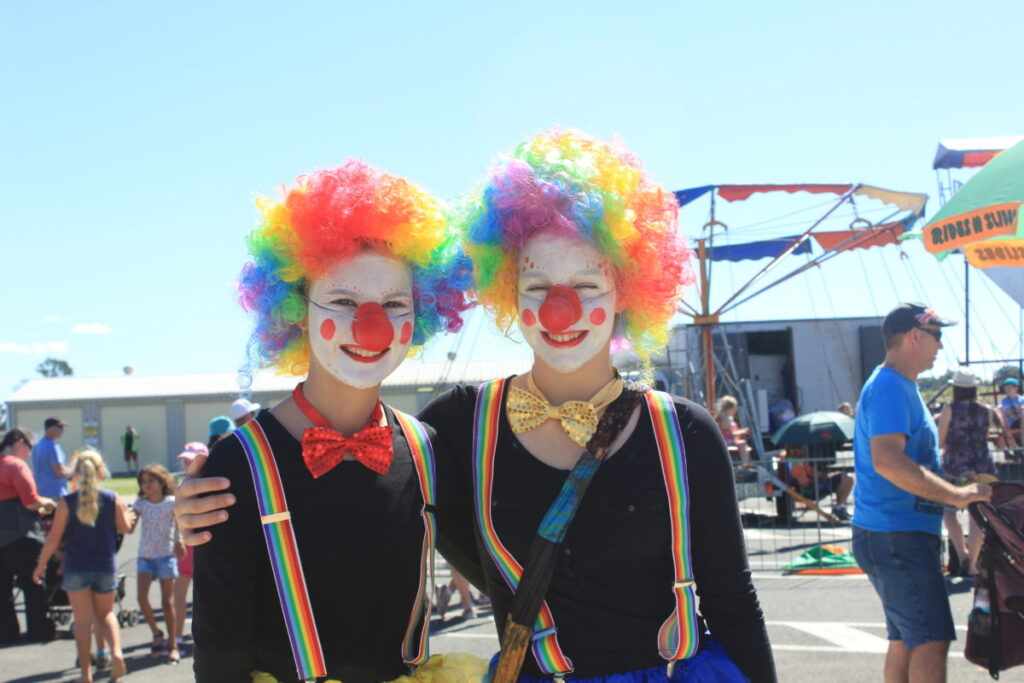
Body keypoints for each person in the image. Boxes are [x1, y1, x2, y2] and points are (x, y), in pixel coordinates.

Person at [175, 132, 776, 681]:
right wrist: (199, 501)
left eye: (587, 287)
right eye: (538, 286)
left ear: (628, 291)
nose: (560, 310)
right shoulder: (456, 428)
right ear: (506, 290)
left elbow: (733, 600)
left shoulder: (685, 432)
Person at [187, 161, 480, 683]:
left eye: (393, 303)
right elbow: (219, 656)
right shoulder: (239, 462)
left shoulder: (426, 448)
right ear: (297, 310)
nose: (370, 328)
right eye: (343, 301)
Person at [851, 303, 992, 683]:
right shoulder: (890, 388)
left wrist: (958, 490)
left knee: (907, 640)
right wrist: (957, 496)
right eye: (937, 336)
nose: (940, 347)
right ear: (916, 335)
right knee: (930, 639)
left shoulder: (895, 386)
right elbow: (888, 461)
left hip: (893, 534)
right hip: (897, 535)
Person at [32, 450, 129, 683]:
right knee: (106, 614)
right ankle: (116, 652)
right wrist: (129, 516)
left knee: (83, 621)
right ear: (100, 472)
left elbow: (54, 539)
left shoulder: (67, 502)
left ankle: (86, 674)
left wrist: (41, 565)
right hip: (105, 566)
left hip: (76, 568)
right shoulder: (112, 497)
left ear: (75, 474)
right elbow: (124, 528)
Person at [937, 367, 997, 577]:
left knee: (950, 510)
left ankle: (962, 555)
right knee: (977, 515)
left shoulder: (949, 409)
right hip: (983, 465)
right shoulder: (987, 410)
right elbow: (984, 436)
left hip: (956, 466)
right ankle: (972, 562)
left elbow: (941, 440)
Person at [0, 428, 56, 644]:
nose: (29, 453)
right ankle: (38, 630)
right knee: (32, 584)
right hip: (20, 537)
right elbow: (31, 500)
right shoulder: (15, 465)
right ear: (19, 441)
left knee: (2, 591)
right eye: (29, 447)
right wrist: (49, 503)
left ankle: (6, 633)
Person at [128, 464, 185, 664]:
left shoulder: (170, 502)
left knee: (166, 602)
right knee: (141, 598)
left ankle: (173, 644)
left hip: (165, 556)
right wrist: (124, 515)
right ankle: (156, 632)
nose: (147, 486)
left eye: (151, 481)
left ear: (162, 482)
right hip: (145, 556)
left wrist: (179, 540)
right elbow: (128, 527)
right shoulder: (140, 504)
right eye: (143, 482)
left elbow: (180, 524)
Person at [172, 442, 206, 653]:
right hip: (187, 548)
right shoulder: (182, 485)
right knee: (180, 594)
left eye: (190, 460)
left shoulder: (213, 482)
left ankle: (204, 637)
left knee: (206, 596)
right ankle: (176, 638)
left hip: (205, 548)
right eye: (184, 461)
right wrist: (177, 537)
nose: (186, 464)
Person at [31, 417, 75, 499]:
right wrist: (74, 469)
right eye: (60, 427)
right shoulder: (52, 446)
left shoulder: (38, 445)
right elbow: (60, 472)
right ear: (50, 428)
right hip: (56, 493)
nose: (62, 431)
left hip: (41, 492)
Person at [715, 395, 752, 464]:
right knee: (742, 443)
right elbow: (731, 433)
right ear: (729, 408)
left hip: (732, 440)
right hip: (726, 441)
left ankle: (747, 464)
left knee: (745, 445)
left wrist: (743, 432)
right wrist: (743, 431)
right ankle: (745, 464)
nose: (736, 410)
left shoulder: (730, 418)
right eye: (734, 407)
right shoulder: (723, 419)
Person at [997, 377, 1023, 449]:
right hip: (1009, 425)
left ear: (1016, 389)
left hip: (1021, 423)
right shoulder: (1003, 401)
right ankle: (1016, 450)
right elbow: (999, 411)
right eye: (1006, 388)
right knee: (1003, 432)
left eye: (1009, 388)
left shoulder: (1022, 400)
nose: (1007, 390)